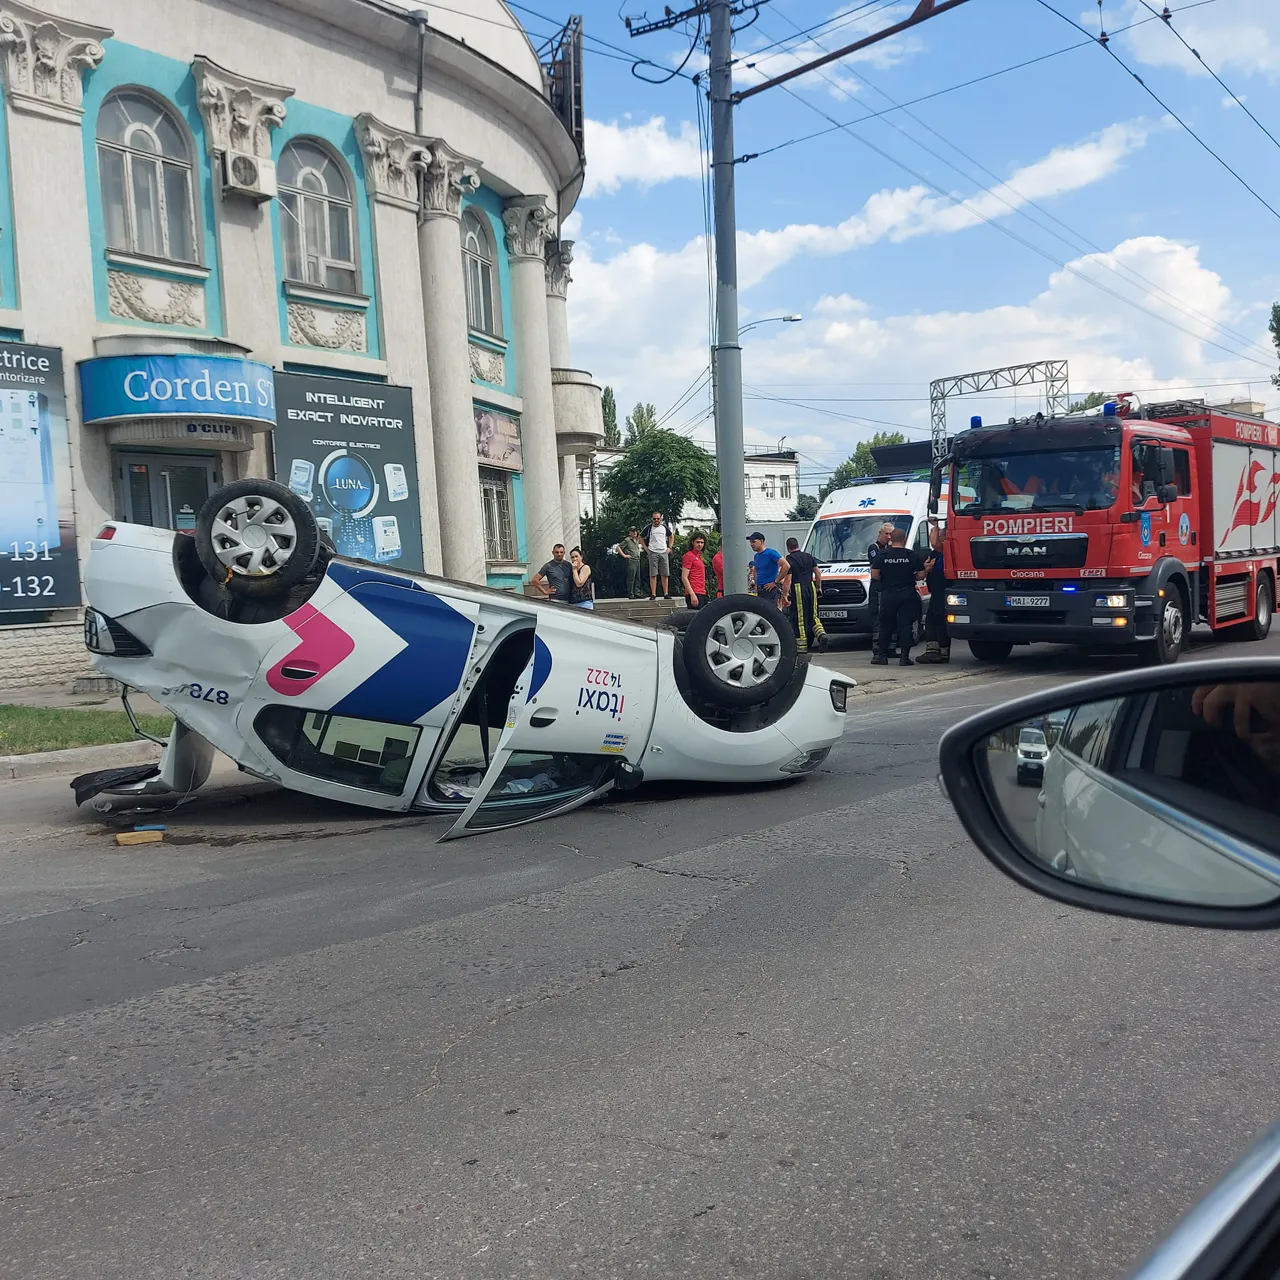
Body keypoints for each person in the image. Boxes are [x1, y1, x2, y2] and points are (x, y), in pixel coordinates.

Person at [870, 528, 931, 666]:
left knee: (886, 625)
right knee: (905, 625)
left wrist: (886, 579)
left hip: (889, 593)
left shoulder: (882, 555)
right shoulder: (911, 555)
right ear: (904, 539)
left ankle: (882, 656)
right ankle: (904, 658)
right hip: (907, 593)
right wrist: (911, 576)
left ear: (891, 539)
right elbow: (921, 575)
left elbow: (874, 575)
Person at [776, 536, 827, 653]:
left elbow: (788, 580)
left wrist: (784, 595)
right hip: (811, 587)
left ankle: (801, 648)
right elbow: (818, 573)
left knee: (800, 619)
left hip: (798, 588)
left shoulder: (789, 559)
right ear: (797, 545)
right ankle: (821, 634)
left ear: (788, 547)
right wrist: (818, 587)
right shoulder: (808, 556)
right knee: (813, 616)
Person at [916, 517, 950, 664]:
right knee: (933, 620)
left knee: (937, 620)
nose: (932, 538)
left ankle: (939, 653)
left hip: (941, 591)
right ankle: (936, 652)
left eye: (936, 534)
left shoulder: (944, 550)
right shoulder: (937, 554)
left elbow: (935, 543)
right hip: (938, 591)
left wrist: (935, 525)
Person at [866, 522, 895, 652]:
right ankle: (878, 650)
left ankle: (891, 648)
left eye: (891, 534)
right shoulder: (874, 548)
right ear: (880, 534)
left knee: (891, 618)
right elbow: (877, 564)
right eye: (886, 534)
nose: (889, 537)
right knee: (878, 619)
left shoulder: (891, 548)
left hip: (888, 587)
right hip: (877, 588)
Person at [642, 511, 673, 600]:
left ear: (661, 519)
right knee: (653, 574)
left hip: (663, 552)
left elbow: (671, 536)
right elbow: (640, 537)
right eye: (654, 519)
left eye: (658, 519)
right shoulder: (649, 528)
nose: (656, 520)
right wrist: (646, 548)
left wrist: (669, 547)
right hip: (653, 552)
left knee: (665, 574)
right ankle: (653, 594)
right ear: (652, 519)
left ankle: (666, 593)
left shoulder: (664, 528)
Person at [748, 532, 783, 606]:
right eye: (750, 542)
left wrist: (776, 582)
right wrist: (756, 585)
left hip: (769, 589)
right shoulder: (756, 556)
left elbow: (786, 565)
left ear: (761, 541)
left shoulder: (771, 553)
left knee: (770, 613)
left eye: (754, 542)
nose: (751, 544)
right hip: (760, 590)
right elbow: (756, 570)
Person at [681, 532, 709, 609]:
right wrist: (692, 594)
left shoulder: (699, 557)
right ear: (692, 542)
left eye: (702, 542)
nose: (700, 544)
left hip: (701, 592)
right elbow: (684, 577)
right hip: (694, 592)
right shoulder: (689, 556)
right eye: (697, 542)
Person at [618, 528, 645, 599]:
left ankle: (637, 592)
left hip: (637, 560)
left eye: (635, 531)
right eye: (633, 531)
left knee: (638, 577)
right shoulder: (627, 540)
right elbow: (618, 547)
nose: (635, 532)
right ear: (630, 532)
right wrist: (624, 555)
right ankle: (630, 593)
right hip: (631, 560)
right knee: (631, 577)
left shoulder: (637, 540)